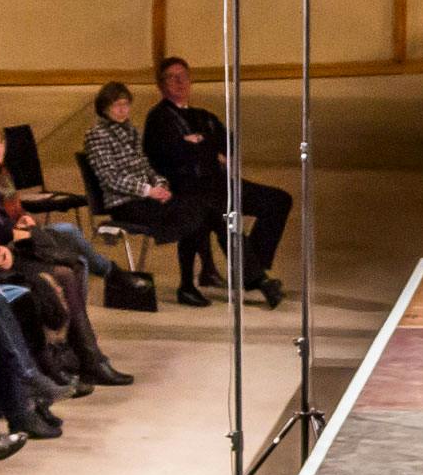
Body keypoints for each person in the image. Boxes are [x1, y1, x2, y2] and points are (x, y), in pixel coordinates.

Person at [145, 56, 288, 305]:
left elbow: (228, 141)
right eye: (172, 78)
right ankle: (258, 278)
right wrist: (204, 149)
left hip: (220, 184)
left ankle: (253, 267)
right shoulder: (158, 118)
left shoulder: (203, 116)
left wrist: (202, 144)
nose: (180, 82)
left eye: (184, 77)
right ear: (161, 85)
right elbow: (168, 153)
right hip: (189, 189)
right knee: (224, 213)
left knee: (278, 200)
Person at [82, 82, 221, 306]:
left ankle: (189, 283)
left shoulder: (131, 130)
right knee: (194, 213)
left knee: (200, 209)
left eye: (125, 105)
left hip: (146, 198)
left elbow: (146, 167)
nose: (122, 110)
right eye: (117, 105)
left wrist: (161, 185)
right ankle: (188, 286)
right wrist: (149, 191)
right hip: (124, 203)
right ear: (104, 107)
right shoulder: (96, 135)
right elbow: (110, 177)